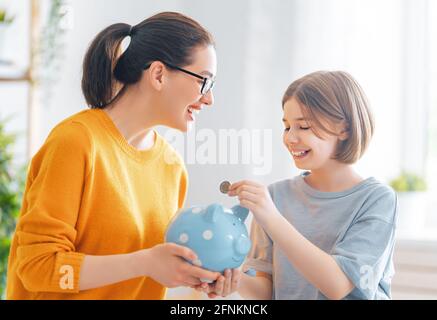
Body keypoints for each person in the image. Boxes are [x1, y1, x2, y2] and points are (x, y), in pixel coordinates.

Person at [7, 11, 220, 299]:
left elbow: (149, 269)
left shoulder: (172, 168)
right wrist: (143, 262)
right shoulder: (76, 142)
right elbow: (37, 268)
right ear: (158, 74)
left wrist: (200, 270)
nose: (209, 98)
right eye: (203, 81)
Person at [197, 71, 397, 300]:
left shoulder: (377, 200)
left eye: (303, 127)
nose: (290, 138)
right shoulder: (274, 197)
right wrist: (231, 280)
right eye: (287, 126)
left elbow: (338, 285)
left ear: (344, 129)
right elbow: (266, 291)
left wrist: (271, 217)